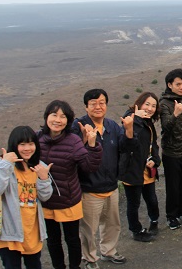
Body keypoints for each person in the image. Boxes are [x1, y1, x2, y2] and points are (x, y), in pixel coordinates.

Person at [39, 100, 102, 269]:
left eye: (63, 116)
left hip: (68, 200)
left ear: (68, 121)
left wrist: (92, 145)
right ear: (46, 117)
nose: (58, 120)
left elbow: (89, 167)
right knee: (52, 241)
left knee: (72, 239)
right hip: (46, 201)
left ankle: (75, 267)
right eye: (54, 115)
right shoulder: (38, 140)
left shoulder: (73, 140)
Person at [72, 89, 127, 268]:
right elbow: (74, 155)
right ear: (86, 106)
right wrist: (84, 140)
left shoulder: (112, 126)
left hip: (110, 185)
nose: (98, 106)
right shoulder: (78, 126)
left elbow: (125, 148)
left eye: (102, 102)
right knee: (88, 229)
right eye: (93, 103)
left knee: (112, 224)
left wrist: (130, 129)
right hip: (89, 188)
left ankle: (109, 251)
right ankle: (89, 258)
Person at [0, 126, 53, 269]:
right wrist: (6, 164)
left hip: (32, 232)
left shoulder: (38, 166)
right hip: (9, 232)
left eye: (31, 144)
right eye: (22, 144)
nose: (27, 148)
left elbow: (45, 197)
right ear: (14, 145)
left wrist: (44, 179)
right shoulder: (0, 164)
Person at [119, 92, 161, 242]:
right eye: (147, 104)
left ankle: (154, 221)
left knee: (151, 199)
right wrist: (135, 116)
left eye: (154, 106)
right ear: (139, 104)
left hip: (146, 169)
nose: (150, 108)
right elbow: (129, 142)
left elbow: (153, 144)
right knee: (133, 203)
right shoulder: (131, 120)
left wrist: (155, 159)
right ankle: (136, 230)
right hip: (132, 169)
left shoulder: (148, 122)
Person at [159, 69, 182, 230]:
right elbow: (166, 127)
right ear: (169, 85)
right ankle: (171, 215)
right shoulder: (164, 103)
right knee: (173, 186)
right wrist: (175, 114)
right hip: (172, 153)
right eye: (178, 84)